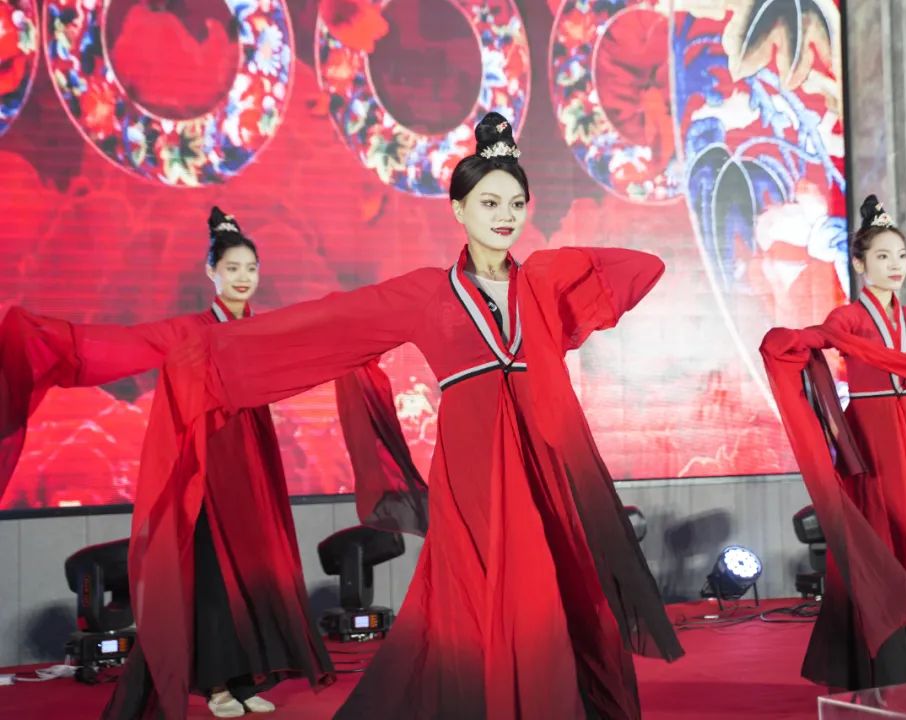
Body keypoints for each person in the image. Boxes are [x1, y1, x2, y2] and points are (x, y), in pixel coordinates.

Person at [136, 113, 684, 720]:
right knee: (482, 596)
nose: (505, 215)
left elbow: (643, 268)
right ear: (458, 209)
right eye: (489, 202)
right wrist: (205, 357)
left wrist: (558, 264)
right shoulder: (427, 292)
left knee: (557, 587)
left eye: (516, 203)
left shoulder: (540, 285)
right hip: (474, 473)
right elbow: (329, 322)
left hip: (543, 463)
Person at [0, 208, 402, 718]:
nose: (243, 277)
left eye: (251, 268)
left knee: (257, 573)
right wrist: (45, 338)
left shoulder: (264, 329)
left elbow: (317, 336)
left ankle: (248, 679)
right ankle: (217, 686)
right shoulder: (189, 330)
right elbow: (122, 346)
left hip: (252, 470)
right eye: (232, 268)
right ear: (211, 272)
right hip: (204, 473)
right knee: (212, 582)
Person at [760, 195, 906, 690]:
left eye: (902, 256)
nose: (895, 266)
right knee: (881, 538)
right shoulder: (848, 319)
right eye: (883, 256)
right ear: (859, 264)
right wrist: (789, 343)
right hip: (871, 441)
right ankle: (881, 665)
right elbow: (818, 338)